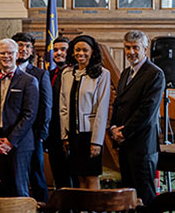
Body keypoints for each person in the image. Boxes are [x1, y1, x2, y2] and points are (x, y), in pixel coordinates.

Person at [110, 30, 165, 205]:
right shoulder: (126, 73)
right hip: (125, 144)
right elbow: (118, 104)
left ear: (145, 49)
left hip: (142, 145)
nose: (131, 52)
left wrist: (124, 133)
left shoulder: (155, 74)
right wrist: (113, 128)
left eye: (135, 47)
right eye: (127, 47)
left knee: (144, 194)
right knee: (128, 193)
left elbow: (147, 111)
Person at [60, 35, 111, 190]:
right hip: (73, 134)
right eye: (77, 50)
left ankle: (94, 212)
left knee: (91, 175)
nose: (80, 53)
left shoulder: (102, 74)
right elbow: (63, 107)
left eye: (84, 50)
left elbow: (102, 109)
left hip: (89, 134)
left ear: (92, 52)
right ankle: (83, 211)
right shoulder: (67, 74)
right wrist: (65, 135)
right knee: (79, 175)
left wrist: (96, 141)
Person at [0, 38, 39, 197]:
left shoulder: (29, 81)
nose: (6, 56)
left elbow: (29, 115)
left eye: (10, 53)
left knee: (20, 189)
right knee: (2, 188)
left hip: (20, 144)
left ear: (17, 54)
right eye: (2, 53)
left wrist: (10, 141)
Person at [12, 32, 52, 203]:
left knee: (36, 175)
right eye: (20, 45)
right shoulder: (5, 71)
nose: (24, 49)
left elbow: (46, 106)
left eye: (28, 46)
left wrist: (41, 134)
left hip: (33, 134)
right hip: (11, 133)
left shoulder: (40, 74)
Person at [44, 36, 73, 189]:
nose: (59, 53)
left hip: (70, 133)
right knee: (59, 177)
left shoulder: (75, 74)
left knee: (72, 178)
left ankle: (76, 212)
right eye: (55, 50)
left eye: (63, 50)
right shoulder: (48, 75)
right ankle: (63, 211)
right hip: (53, 133)